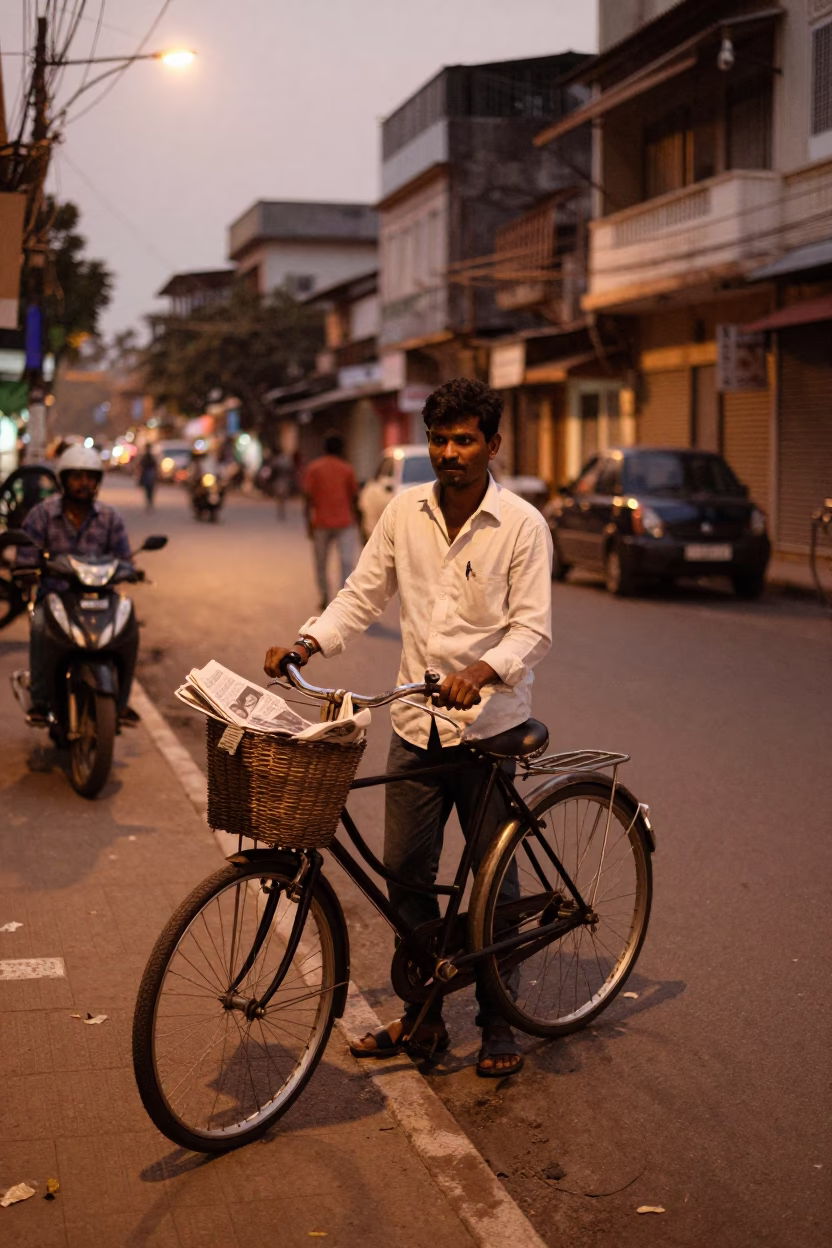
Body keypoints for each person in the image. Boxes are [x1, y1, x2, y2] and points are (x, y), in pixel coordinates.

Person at [264, 378, 552, 1077]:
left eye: (464, 439)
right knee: (407, 879)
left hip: (488, 731)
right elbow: (360, 595)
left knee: (493, 884)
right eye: (439, 439)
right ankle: (423, 1022)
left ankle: (497, 1021)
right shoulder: (403, 513)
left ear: (492, 444)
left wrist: (481, 672)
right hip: (416, 727)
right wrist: (306, 644)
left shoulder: (522, 524)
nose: (450, 452)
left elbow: (532, 630)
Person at [21, 444, 134, 724]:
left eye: (90, 477)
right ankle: (39, 702)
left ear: (97, 481)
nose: (84, 483)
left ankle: (120, 703)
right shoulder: (42, 514)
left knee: (129, 627)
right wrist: (27, 570)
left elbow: (125, 559)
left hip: (101, 598)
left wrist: (130, 571)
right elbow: (26, 555)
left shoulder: (110, 517)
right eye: (77, 477)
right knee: (38, 627)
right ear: (64, 480)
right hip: (56, 598)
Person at [302, 432, 358, 609]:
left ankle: (324, 595)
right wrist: (359, 522)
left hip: (321, 523)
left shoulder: (314, 468)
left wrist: (308, 523)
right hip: (345, 523)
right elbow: (354, 497)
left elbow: (307, 498)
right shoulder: (347, 469)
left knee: (321, 563)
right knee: (346, 563)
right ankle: (344, 599)